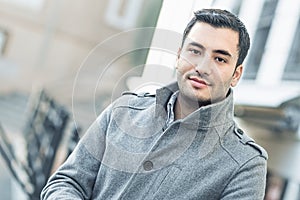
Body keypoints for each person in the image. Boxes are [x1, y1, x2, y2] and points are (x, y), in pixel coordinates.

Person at [41, 8, 268, 199]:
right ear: (179, 56)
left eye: (220, 59)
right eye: (195, 51)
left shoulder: (246, 164)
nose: (202, 67)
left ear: (236, 74)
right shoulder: (122, 111)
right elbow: (66, 182)